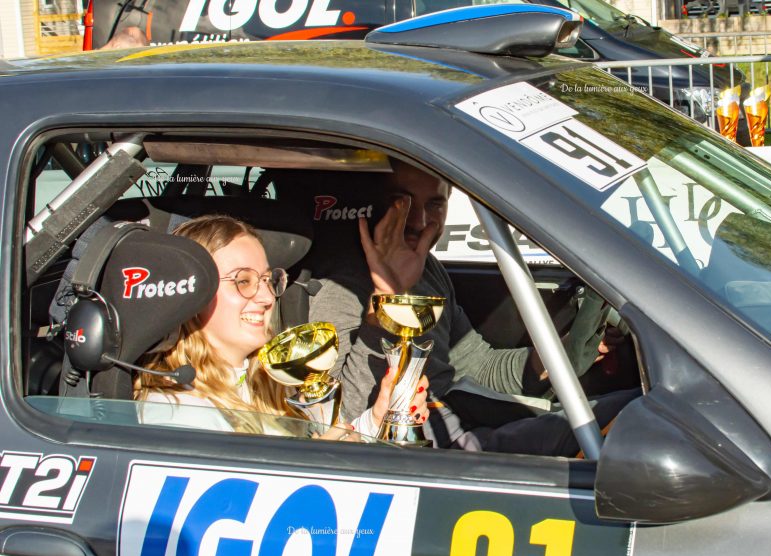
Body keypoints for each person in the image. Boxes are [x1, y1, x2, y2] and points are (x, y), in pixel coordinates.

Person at [308, 161, 635, 456]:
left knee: (627, 411)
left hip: (453, 422)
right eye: (401, 202)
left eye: (435, 204)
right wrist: (387, 299)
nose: (420, 221)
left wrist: (563, 354)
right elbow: (341, 421)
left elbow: (477, 366)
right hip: (411, 450)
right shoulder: (341, 285)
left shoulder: (429, 271)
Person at [134, 214, 429, 439]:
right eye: (243, 281)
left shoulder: (268, 384)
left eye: (266, 280)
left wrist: (377, 420)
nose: (265, 297)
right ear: (191, 294)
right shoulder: (176, 411)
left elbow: (328, 444)